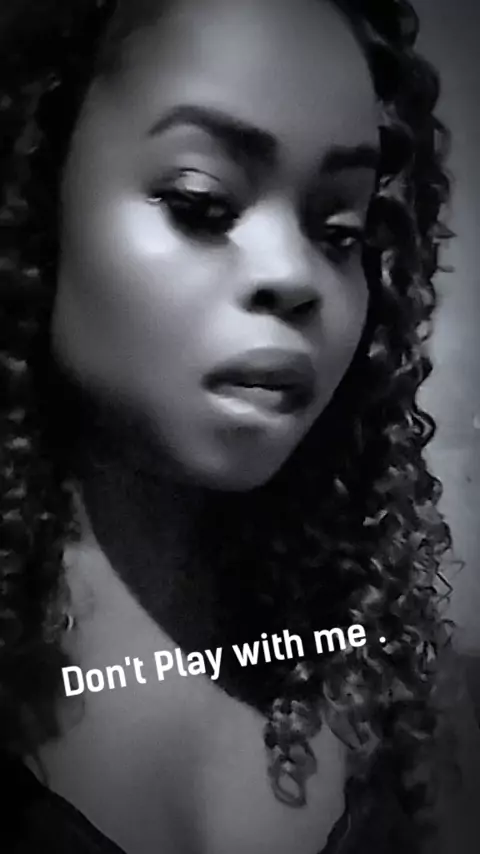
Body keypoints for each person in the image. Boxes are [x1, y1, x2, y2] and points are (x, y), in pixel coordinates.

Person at [0, 0, 474, 852]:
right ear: (35, 202)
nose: (294, 274)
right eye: (202, 202)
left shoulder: (417, 708)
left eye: (339, 230)